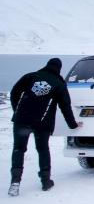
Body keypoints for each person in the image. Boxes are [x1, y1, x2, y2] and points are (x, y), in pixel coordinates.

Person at [9, 57, 82, 196]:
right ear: (59, 69)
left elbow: (14, 92)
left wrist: (17, 111)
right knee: (43, 149)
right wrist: (73, 125)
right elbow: (65, 106)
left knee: (18, 149)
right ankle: (45, 181)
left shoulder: (30, 76)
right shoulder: (59, 84)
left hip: (22, 120)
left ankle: (15, 183)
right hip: (42, 123)